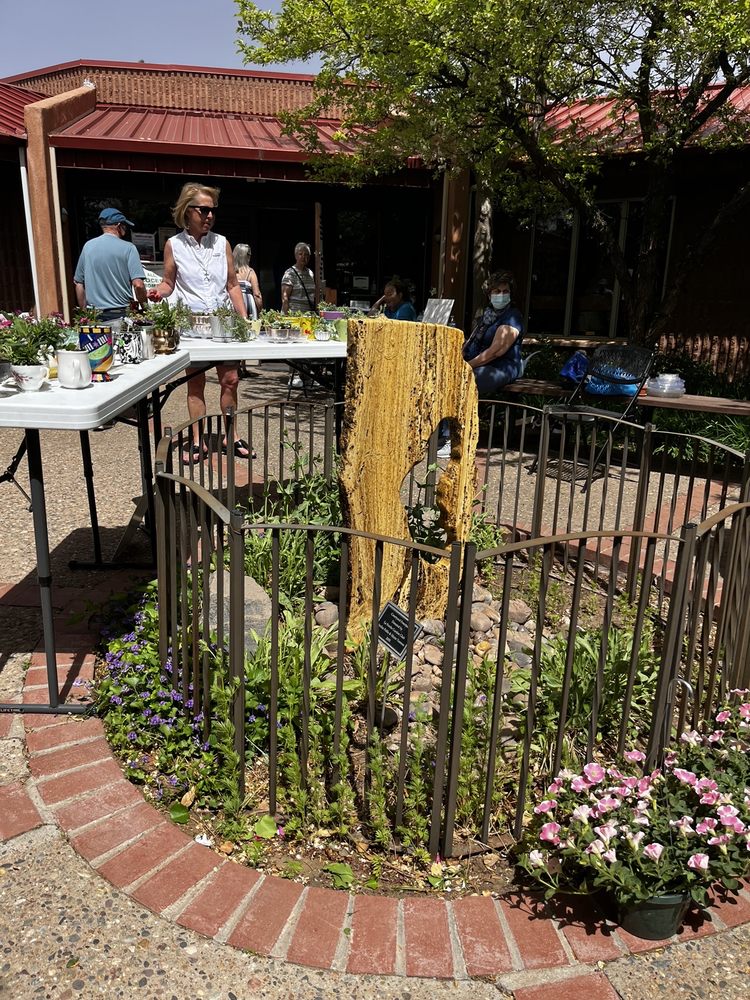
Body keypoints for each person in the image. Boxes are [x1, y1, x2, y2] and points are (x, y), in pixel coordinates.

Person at [149, 182, 251, 461]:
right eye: (203, 210)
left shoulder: (222, 243)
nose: (209, 216)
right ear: (187, 211)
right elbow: (169, 282)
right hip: (192, 328)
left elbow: (232, 284)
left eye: (213, 211)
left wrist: (243, 318)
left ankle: (232, 435)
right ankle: (198, 438)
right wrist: (157, 292)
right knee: (196, 384)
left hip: (223, 326)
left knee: (230, 380)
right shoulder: (174, 245)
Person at [437, 270, 524, 459]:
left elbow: (496, 351)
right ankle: (440, 433)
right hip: (482, 363)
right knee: (443, 377)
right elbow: (471, 342)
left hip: (503, 366)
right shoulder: (487, 316)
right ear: (489, 294)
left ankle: (453, 439)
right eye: (496, 291)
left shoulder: (512, 316)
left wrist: (467, 365)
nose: (501, 294)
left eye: (504, 290)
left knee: (463, 382)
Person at [74, 208, 147, 322]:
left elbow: (79, 283)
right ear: (118, 226)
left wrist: (85, 315)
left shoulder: (88, 247)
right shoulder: (129, 248)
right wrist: (145, 309)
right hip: (121, 314)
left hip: (95, 315)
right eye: (124, 225)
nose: (125, 229)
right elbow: (138, 285)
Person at [281, 242, 317, 315]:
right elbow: (285, 298)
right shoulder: (290, 273)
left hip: (308, 316)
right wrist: (286, 317)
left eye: (306, 254)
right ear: (295, 256)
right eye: (300, 254)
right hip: (294, 315)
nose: (303, 257)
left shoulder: (310, 273)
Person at [233, 243, 262, 319]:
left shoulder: (230, 271)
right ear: (246, 256)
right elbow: (257, 294)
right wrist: (261, 310)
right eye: (249, 254)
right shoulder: (250, 272)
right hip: (248, 304)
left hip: (233, 302)